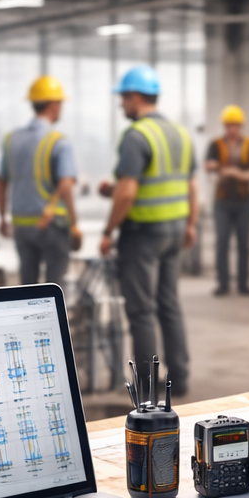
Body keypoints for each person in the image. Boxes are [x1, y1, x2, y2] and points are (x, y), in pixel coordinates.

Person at [99, 65, 198, 393]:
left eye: (123, 98)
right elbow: (190, 186)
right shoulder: (180, 134)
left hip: (143, 235)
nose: (120, 105)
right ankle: (180, 378)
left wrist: (108, 230)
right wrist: (191, 223)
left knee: (141, 310)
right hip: (174, 229)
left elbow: (128, 192)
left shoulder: (136, 136)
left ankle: (147, 384)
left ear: (135, 97)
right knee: (168, 304)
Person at [0, 76, 79, 285]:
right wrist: (75, 224)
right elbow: (66, 184)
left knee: (28, 286)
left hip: (21, 225)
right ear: (53, 105)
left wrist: (3, 217)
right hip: (51, 224)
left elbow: (0, 181)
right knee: (55, 285)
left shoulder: (11, 139)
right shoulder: (58, 141)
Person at [205, 104, 249, 297]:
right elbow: (208, 165)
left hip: (244, 201)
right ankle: (223, 283)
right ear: (224, 126)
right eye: (229, 125)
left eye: (236, 125)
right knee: (222, 243)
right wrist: (218, 168)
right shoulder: (216, 144)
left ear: (241, 126)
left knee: (244, 244)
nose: (232, 129)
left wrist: (239, 174)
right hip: (222, 201)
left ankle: (243, 283)